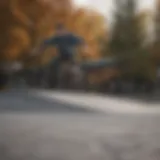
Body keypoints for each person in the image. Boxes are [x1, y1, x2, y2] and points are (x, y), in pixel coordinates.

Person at [39, 23, 88, 88]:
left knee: (75, 66)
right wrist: (42, 47)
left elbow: (80, 40)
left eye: (60, 31)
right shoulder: (57, 38)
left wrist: (84, 47)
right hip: (61, 56)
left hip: (70, 56)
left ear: (64, 30)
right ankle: (50, 83)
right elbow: (48, 42)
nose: (59, 33)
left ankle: (77, 78)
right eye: (58, 32)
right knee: (51, 65)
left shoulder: (70, 37)